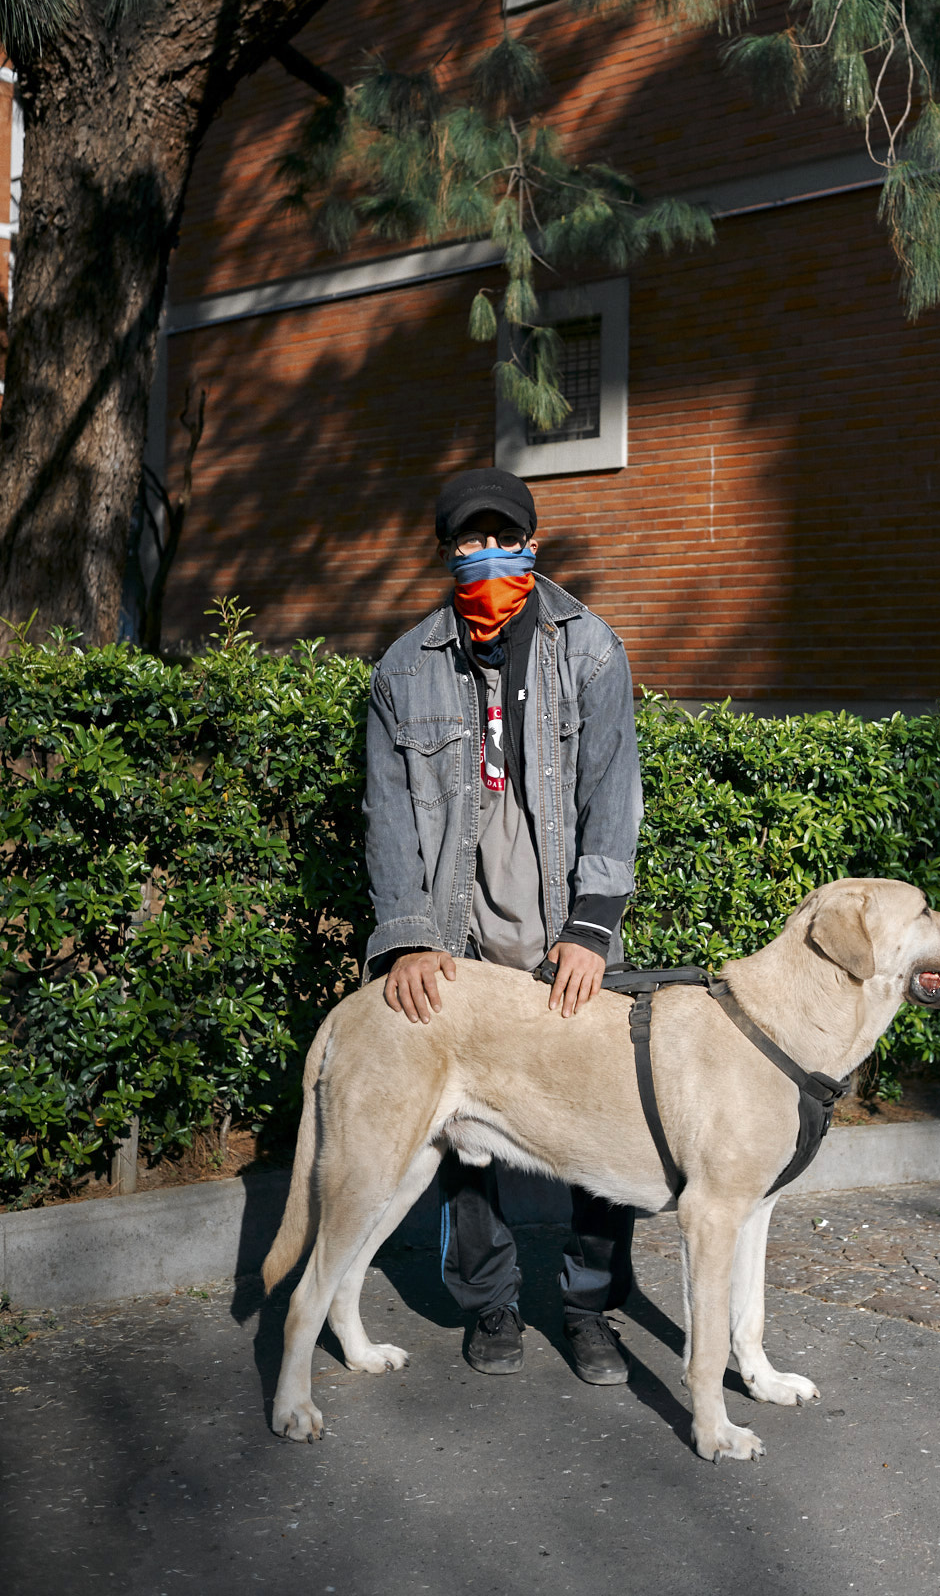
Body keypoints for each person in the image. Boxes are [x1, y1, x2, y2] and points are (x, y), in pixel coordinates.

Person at [362, 467, 643, 1385]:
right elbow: (389, 819)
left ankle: (591, 1309)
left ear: (532, 544)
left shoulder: (589, 647)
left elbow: (612, 793)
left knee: (605, 1121)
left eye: (504, 537)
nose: (489, 555)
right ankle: (490, 1304)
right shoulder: (405, 669)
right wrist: (409, 937)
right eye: (470, 540)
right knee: (462, 1134)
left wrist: (591, 929)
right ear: (448, 552)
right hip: (460, 939)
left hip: (567, 933)